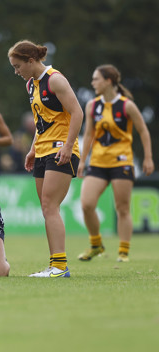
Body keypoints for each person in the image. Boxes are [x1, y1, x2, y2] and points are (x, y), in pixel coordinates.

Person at [8, 40, 83, 278]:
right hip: (42, 151)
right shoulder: (32, 84)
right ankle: (55, 265)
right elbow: (43, 122)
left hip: (61, 149)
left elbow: (78, 112)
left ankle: (60, 267)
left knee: (51, 206)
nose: (16, 71)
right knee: (46, 208)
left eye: (18, 66)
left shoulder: (55, 80)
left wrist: (69, 147)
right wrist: (32, 149)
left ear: (31, 61)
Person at [77, 64, 154, 263]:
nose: (93, 83)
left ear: (108, 81)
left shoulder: (127, 105)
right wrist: (82, 160)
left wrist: (147, 157)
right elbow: (89, 134)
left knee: (122, 208)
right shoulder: (92, 105)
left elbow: (143, 130)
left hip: (122, 162)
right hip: (98, 162)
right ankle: (96, 245)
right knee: (86, 204)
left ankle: (123, 250)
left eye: (96, 79)